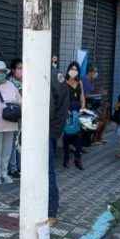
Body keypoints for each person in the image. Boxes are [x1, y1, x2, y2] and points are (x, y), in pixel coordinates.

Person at [47, 65, 71, 226]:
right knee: (46, 171)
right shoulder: (56, 76)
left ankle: (50, 211)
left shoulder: (47, 76)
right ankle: (49, 210)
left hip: (44, 133)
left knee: (46, 172)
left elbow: (48, 109)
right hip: (50, 132)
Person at [62, 62, 86, 170]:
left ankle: (78, 158)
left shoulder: (79, 82)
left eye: (76, 69)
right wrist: (65, 110)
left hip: (77, 111)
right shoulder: (64, 82)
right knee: (67, 135)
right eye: (72, 69)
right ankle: (66, 158)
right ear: (68, 70)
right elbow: (62, 98)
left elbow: (82, 96)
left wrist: (83, 107)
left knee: (78, 135)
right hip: (68, 111)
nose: (74, 71)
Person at [8, 59, 23, 179]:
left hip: (24, 116)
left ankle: (20, 166)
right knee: (14, 142)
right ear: (13, 70)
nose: (21, 71)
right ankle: (13, 168)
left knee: (21, 142)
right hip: (15, 115)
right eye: (19, 68)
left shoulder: (25, 81)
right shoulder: (10, 83)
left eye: (23, 68)